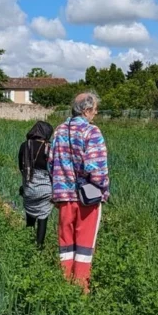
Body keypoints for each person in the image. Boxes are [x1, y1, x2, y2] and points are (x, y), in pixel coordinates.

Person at [49, 92, 109, 293]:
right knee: (84, 247)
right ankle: (81, 289)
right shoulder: (91, 132)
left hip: (63, 197)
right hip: (86, 199)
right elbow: (96, 169)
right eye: (94, 110)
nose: (96, 113)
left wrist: (58, 187)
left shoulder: (59, 131)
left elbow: (51, 163)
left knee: (66, 244)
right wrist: (103, 190)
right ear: (86, 110)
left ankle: (63, 284)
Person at [18, 121, 53, 248]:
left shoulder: (25, 145)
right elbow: (54, 169)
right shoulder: (49, 147)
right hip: (46, 188)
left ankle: (27, 242)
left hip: (29, 186)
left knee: (30, 213)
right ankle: (39, 246)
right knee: (43, 217)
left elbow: (21, 167)